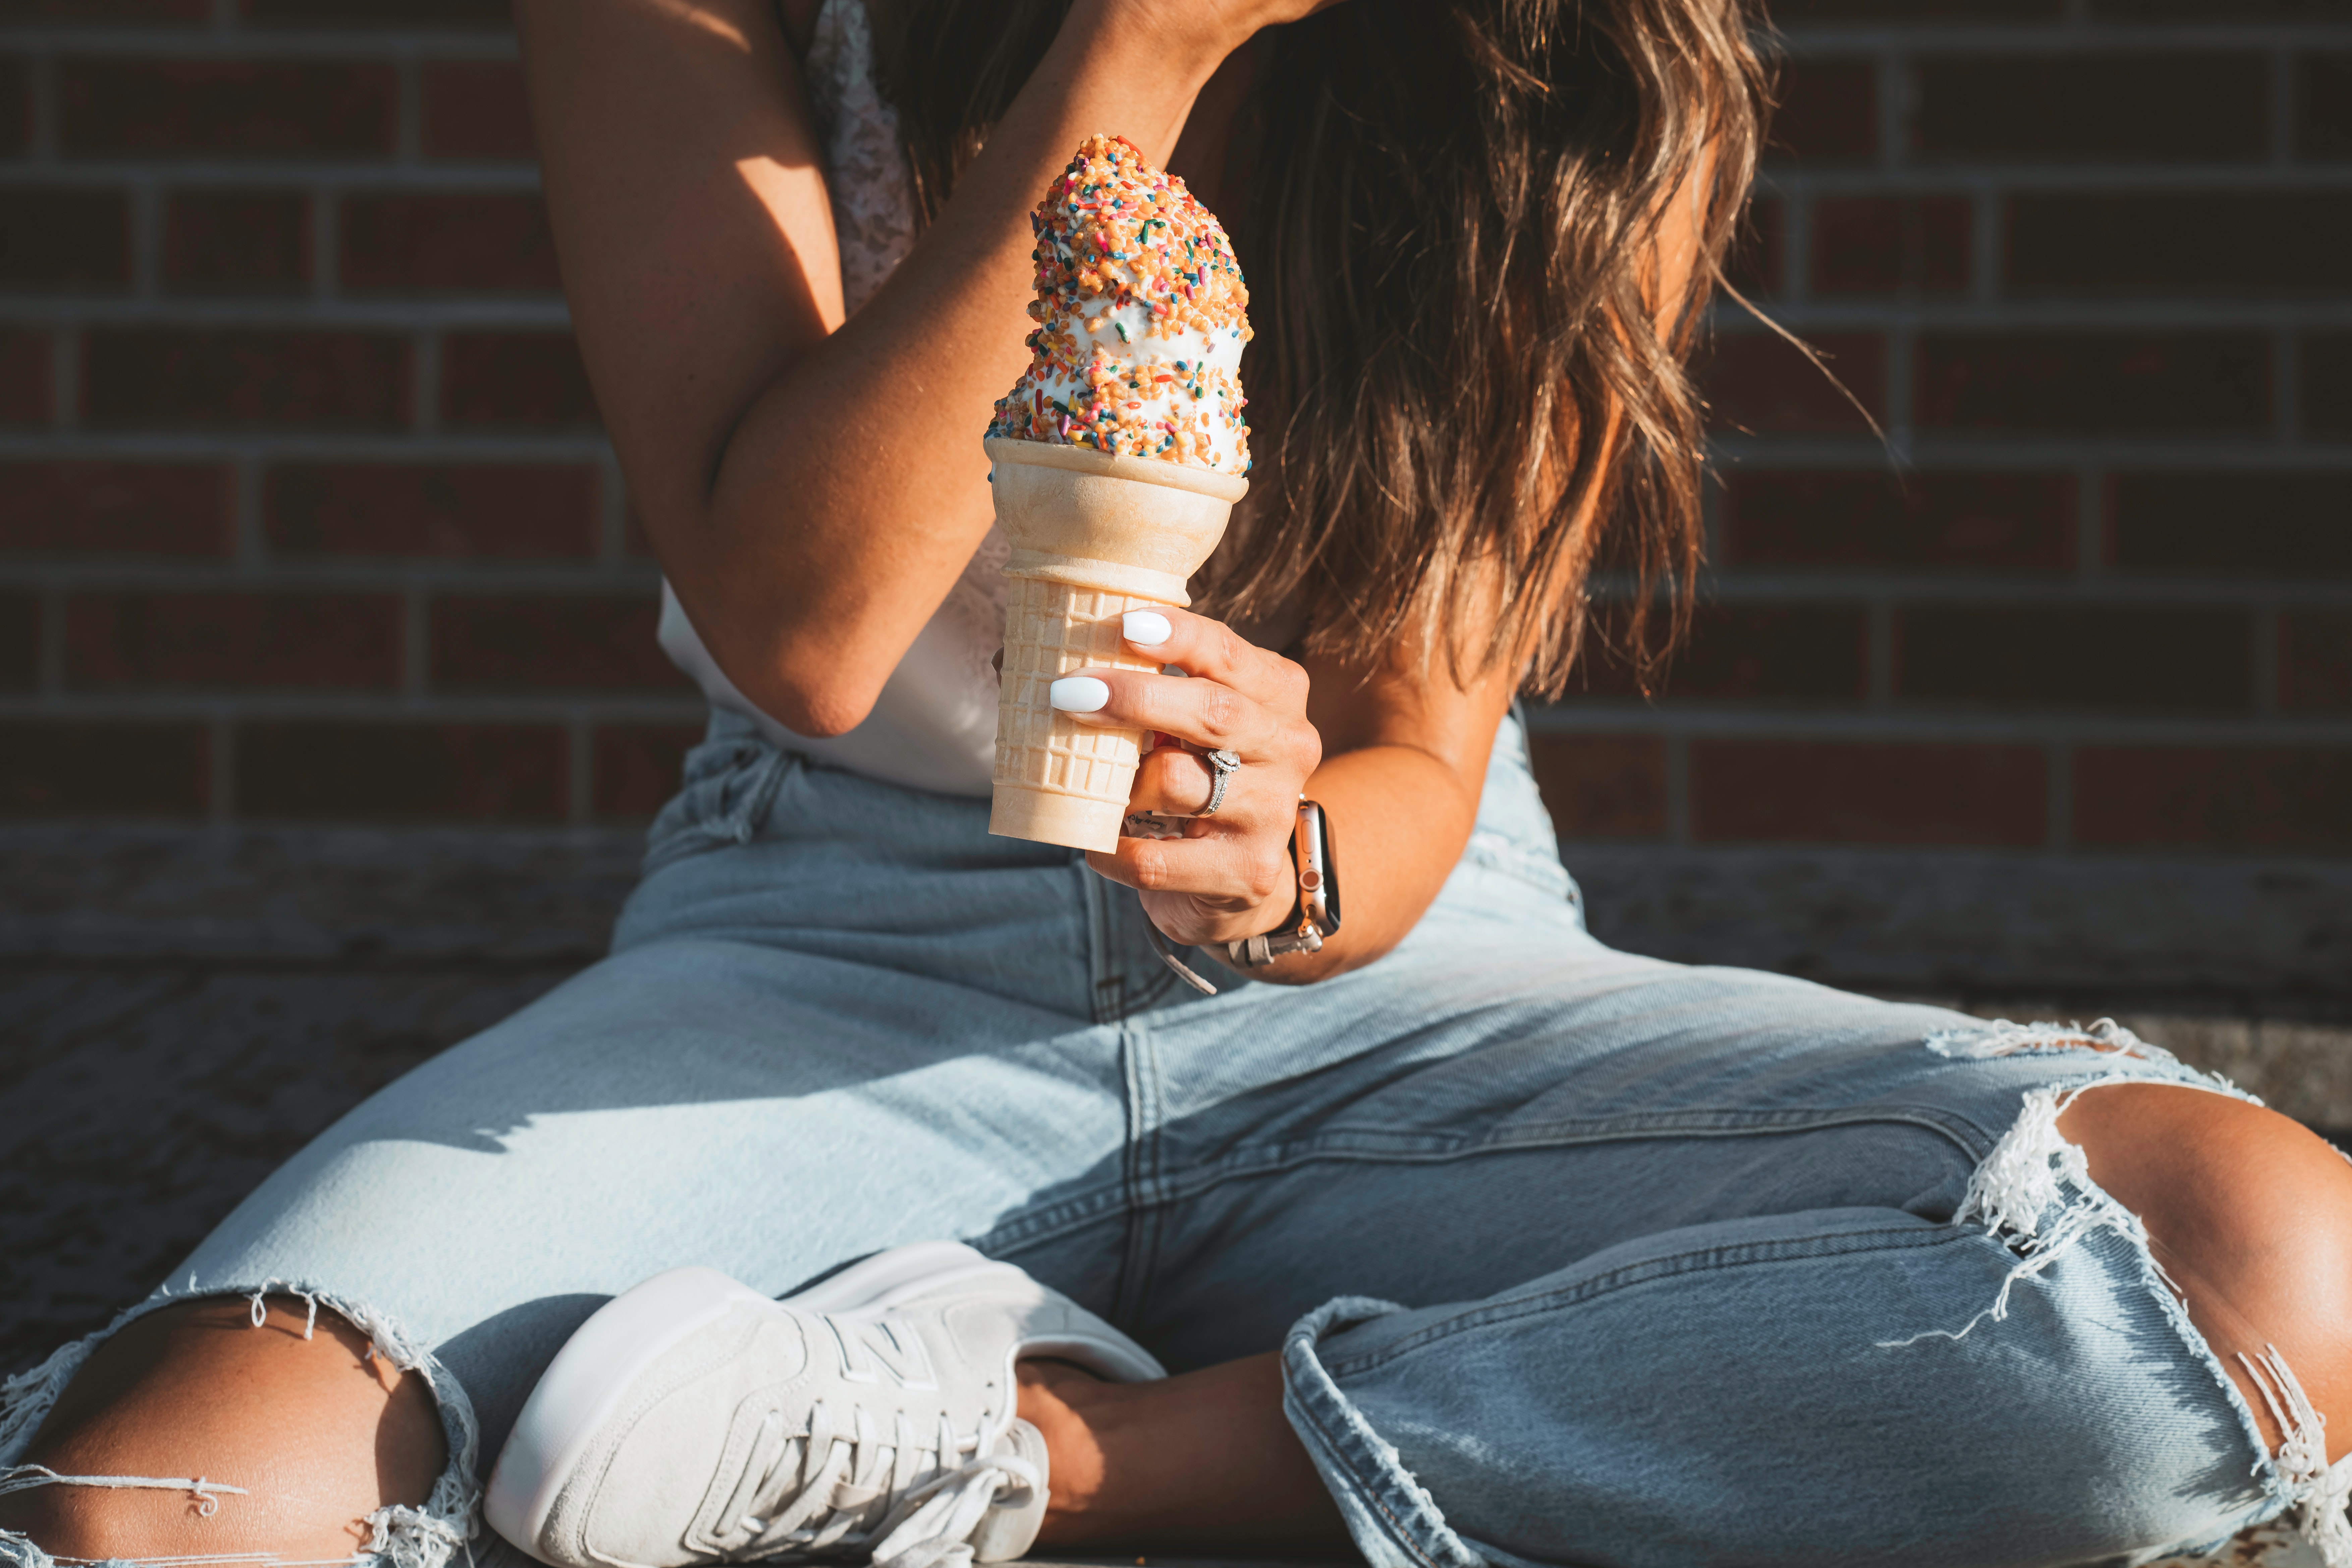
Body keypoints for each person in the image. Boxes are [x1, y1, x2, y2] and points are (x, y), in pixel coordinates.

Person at [3, 1, 2349, 1565]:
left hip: (1399, 987)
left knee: (2261, 1267)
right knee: (160, 1496)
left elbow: (1428, 741)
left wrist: (1296, 845)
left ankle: (1018, 1446)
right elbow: (802, 622)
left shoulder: (1549, 59)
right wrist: (1141, 35)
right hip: (817, 953)